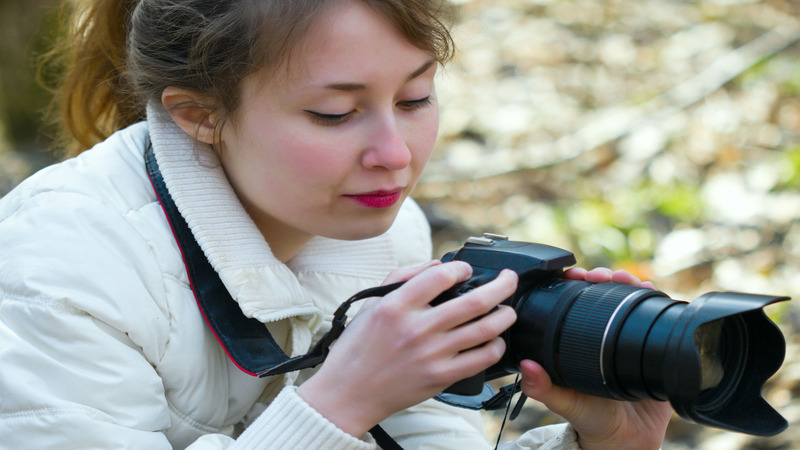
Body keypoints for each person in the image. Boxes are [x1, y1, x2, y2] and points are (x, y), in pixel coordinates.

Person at [0, 0, 672, 448]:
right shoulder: (57, 268)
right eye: (333, 114)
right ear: (199, 114)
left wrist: (595, 445)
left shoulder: (387, 233)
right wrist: (336, 406)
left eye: (415, 98)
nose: (396, 154)